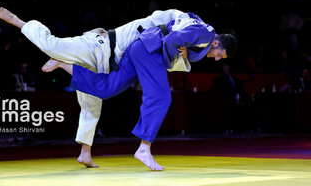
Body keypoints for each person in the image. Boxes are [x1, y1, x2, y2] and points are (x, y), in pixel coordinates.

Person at [0, 7, 197, 168]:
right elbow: (176, 16)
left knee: (91, 103)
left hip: (104, 65)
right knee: (52, 45)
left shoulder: (162, 47)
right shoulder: (158, 22)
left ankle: (85, 153)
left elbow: (169, 63)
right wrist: (185, 24)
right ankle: (19, 22)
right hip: (96, 45)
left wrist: (184, 54)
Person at [41, 20, 237, 170]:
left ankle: (62, 64)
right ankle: (144, 148)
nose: (217, 59)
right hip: (150, 50)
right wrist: (171, 61)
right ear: (217, 42)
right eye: (220, 54)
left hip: (139, 47)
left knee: (107, 89)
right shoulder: (205, 34)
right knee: (161, 97)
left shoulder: (202, 32)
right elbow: (171, 40)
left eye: (221, 58)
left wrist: (185, 54)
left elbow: (179, 38)